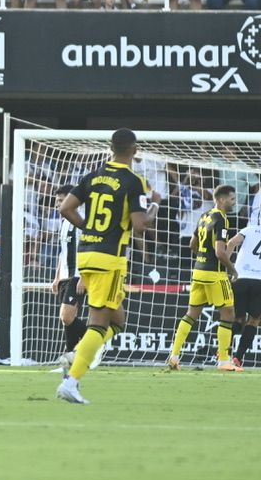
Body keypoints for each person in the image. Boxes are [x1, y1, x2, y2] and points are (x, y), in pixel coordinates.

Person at [56, 128, 159, 404]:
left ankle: (78, 352)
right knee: (99, 323)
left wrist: (89, 228)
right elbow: (139, 226)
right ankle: (73, 379)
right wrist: (155, 208)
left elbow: (66, 208)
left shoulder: (93, 176)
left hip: (86, 254)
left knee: (117, 321)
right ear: (134, 150)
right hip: (109, 258)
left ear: (111, 148)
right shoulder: (133, 181)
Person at [167, 185, 240, 372]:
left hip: (198, 272)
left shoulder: (204, 215)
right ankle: (224, 360)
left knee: (191, 314)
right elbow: (220, 252)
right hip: (214, 274)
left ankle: (174, 356)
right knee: (228, 313)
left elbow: (193, 244)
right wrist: (233, 270)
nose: (234, 202)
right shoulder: (221, 218)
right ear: (222, 199)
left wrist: (202, 257)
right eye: (232, 199)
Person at [49, 184, 90, 372]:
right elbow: (62, 251)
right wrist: (57, 277)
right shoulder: (64, 221)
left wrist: (83, 276)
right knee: (68, 320)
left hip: (77, 275)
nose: (58, 204)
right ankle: (70, 358)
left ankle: (94, 342)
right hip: (65, 276)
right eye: (57, 201)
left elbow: (87, 249)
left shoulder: (80, 219)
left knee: (66, 316)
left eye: (61, 200)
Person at [226, 222, 261, 369]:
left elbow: (232, 242)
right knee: (254, 320)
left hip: (240, 277)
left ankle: (224, 352)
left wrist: (226, 266)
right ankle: (238, 357)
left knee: (237, 318)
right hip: (259, 281)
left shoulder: (249, 229)